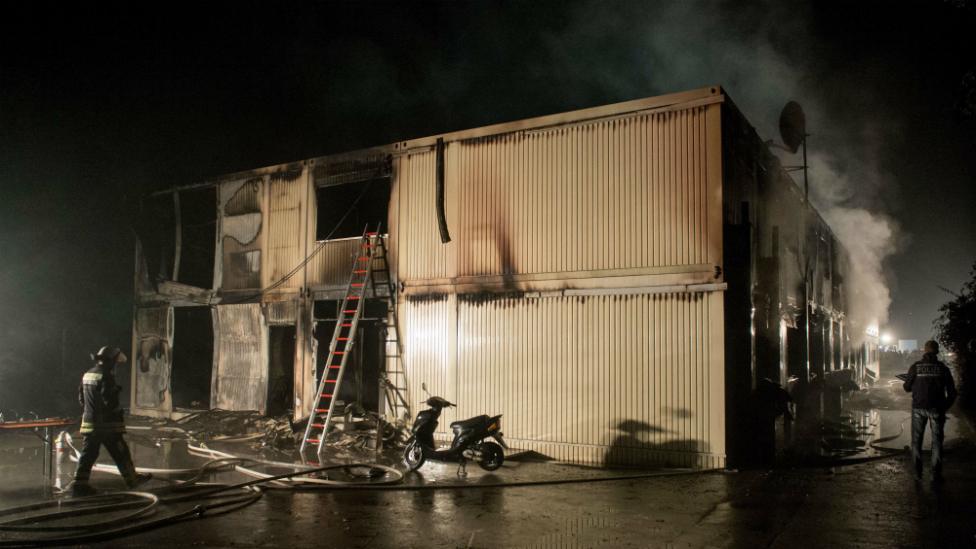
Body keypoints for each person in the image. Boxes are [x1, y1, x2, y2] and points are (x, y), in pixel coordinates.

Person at [68, 346, 151, 496]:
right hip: (107, 426)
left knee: (89, 454)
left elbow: (81, 399)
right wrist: (117, 406)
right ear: (111, 361)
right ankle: (132, 480)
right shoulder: (106, 376)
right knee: (121, 452)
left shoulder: (88, 374)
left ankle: (79, 484)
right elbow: (109, 401)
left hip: (89, 422)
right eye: (115, 363)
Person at [903, 340, 957, 482]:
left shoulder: (915, 367)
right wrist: (944, 407)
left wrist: (911, 382)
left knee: (916, 441)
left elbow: (907, 387)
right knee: (937, 442)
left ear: (924, 351)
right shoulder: (943, 369)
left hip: (918, 409)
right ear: (937, 352)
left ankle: (917, 473)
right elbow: (952, 393)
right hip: (937, 409)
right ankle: (936, 474)